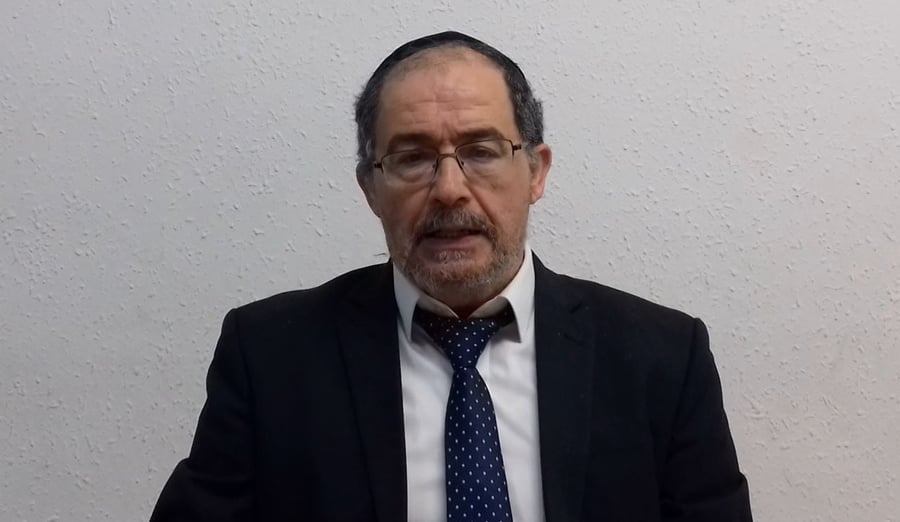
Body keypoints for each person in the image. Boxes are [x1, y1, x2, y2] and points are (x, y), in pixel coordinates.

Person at [150, 31, 752, 522]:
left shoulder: (663, 359)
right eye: (412, 157)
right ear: (370, 188)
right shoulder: (270, 356)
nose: (448, 189)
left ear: (536, 172)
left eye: (482, 151)